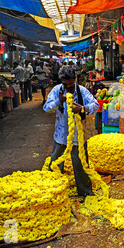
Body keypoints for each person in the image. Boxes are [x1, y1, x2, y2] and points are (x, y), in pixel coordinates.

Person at [43, 66, 99, 197]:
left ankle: (85, 191)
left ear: (75, 79)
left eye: (71, 84)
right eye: (65, 84)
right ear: (61, 82)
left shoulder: (82, 91)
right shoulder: (57, 91)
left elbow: (95, 105)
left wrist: (83, 108)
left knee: (81, 164)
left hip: (78, 137)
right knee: (56, 163)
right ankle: (53, 190)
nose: (68, 87)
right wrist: (59, 101)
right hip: (60, 136)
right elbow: (46, 108)